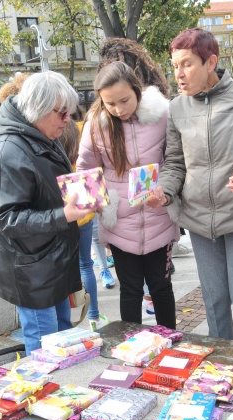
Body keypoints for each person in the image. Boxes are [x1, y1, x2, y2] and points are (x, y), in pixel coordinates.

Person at [149, 28, 233, 345]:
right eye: (175, 65)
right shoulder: (176, 108)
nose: (178, 74)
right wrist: (165, 190)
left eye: (186, 64)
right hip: (200, 219)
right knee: (215, 299)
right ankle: (221, 368)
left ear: (211, 62)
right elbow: (175, 162)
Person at [0, 71, 91, 355]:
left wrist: (81, 195)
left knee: (63, 339)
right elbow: (5, 219)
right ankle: (45, 395)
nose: (69, 120)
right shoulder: (8, 150)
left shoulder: (38, 132)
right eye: (63, 113)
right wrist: (63, 215)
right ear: (39, 109)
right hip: (32, 267)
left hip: (50, 259)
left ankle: (66, 393)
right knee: (46, 344)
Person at [77, 61, 179, 329]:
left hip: (159, 216)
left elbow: (174, 158)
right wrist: (98, 206)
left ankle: (170, 342)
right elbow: (86, 169)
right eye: (110, 103)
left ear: (137, 91)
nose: (119, 109)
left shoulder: (162, 114)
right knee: (130, 290)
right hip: (120, 221)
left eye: (125, 100)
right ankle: (132, 347)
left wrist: (166, 188)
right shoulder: (96, 126)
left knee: (161, 287)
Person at [59, 115, 110, 331]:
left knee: (65, 269)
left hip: (60, 219)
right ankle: (94, 317)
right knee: (86, 265)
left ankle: (65, 320)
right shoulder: (80, 159)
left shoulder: (53, 158)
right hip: (84, 219)